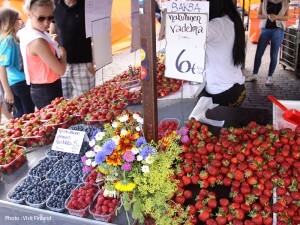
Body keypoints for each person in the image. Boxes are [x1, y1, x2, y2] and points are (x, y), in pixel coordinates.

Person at [18, 0, 67, 110]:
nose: (46, 23)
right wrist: (63, 53)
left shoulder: (30, 32)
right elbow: (61, 70)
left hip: (45, 88)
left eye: (50, 18)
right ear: (29, 15)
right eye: (41, 18)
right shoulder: (38, 40)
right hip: (47, 90)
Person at [202, 0, 246, 107]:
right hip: (238, 87)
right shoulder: (232, 19)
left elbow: (187, 37)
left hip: (222, 93)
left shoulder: (216, 25)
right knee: (231, 123)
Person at [49, 0, 95, 100]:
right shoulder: (54, 5)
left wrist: (96, 61)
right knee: (65, 105)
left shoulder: (88, 4)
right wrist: (52, 37)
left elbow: (98, 33)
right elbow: (52, 29)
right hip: (62, 64)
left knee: (86, 102)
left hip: (84, 64)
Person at [0, 7, 35, 118]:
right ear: (11, 21)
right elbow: (2, 66)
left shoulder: (13, 38)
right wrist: (7, 90)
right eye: (19, 19)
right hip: (19, 82)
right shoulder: (8, 40)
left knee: (23, 113)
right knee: (27, 114)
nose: (21, 22)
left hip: (18, 82)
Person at [246, 0, 289, 86]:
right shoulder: (264, 1)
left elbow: (286, 18)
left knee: (273, 55)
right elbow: (258, 15)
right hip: (265, 30)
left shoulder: (285, 1)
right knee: (258, 53)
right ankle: (254, 75)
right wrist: (268, 16)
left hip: (278, 30)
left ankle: (269, 78)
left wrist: (276, 17)